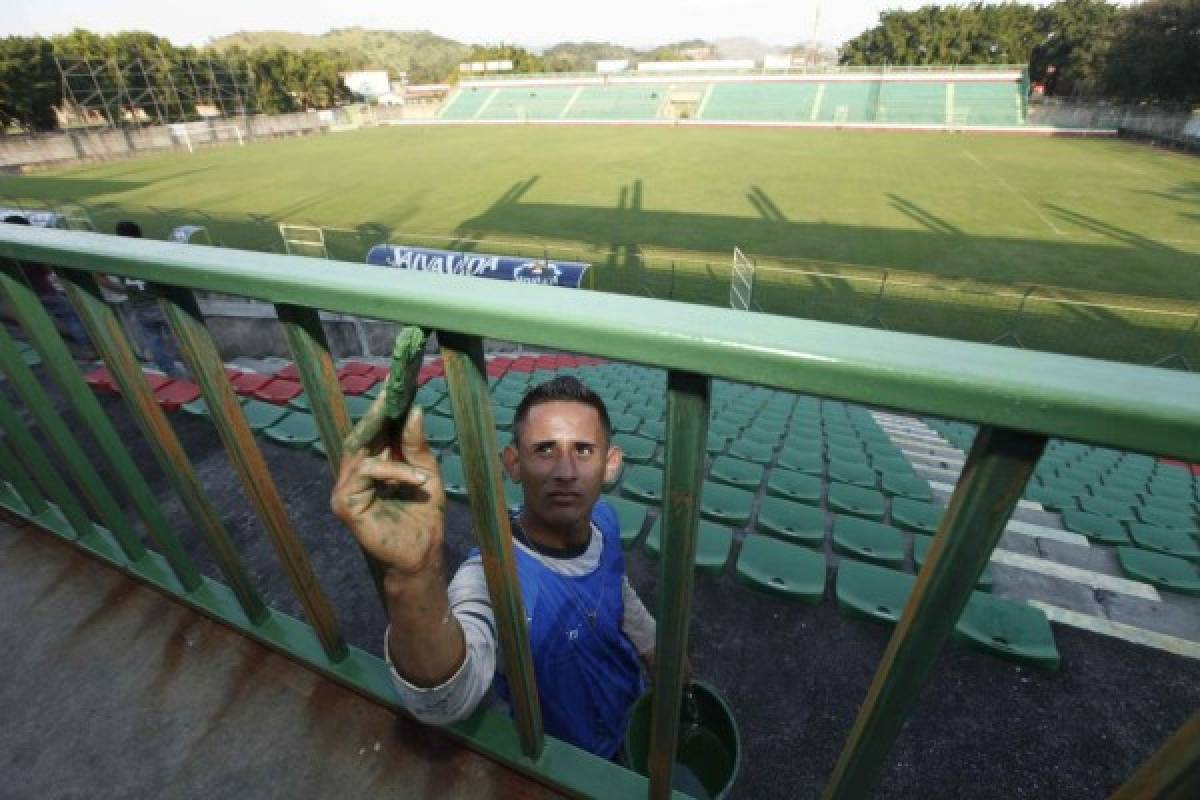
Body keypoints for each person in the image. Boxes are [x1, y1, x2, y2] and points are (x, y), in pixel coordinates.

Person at [332, 375, 659, 760]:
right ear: (514, 463)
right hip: (571, 758)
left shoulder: (604, 517)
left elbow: (617, 587)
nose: (565, 471)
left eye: (584, 451)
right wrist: (414, 576)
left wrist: (660, 654)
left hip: (638, 711)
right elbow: (448, 699)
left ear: (611, 464)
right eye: (545, 450)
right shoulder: (491, 574)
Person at [108, 220, 186, 377]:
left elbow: (99, 277)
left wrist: (124, 290)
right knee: (180, 339)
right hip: (159, 304)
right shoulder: (148, 251)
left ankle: (172, 372)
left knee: (154, 342)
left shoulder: (116, 254)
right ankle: (195, 371)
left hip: (139, 307)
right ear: (139, 233)